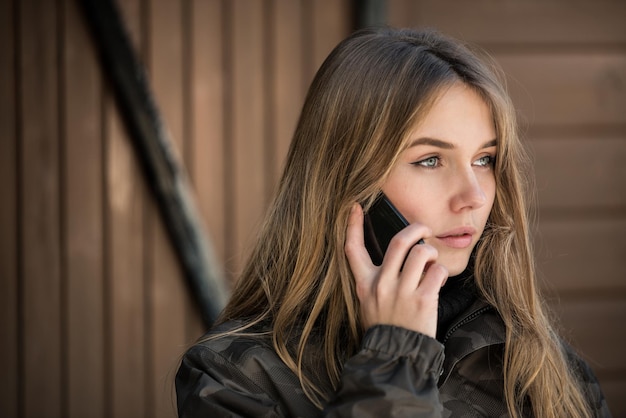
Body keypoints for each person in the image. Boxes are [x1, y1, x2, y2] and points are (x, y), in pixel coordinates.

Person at [175, 27, 611, 417]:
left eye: (484, 159)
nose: (474, 197)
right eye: (430, 160)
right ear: (348, 181)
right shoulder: (235, 378)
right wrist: (395, 363)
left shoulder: (544, 369)